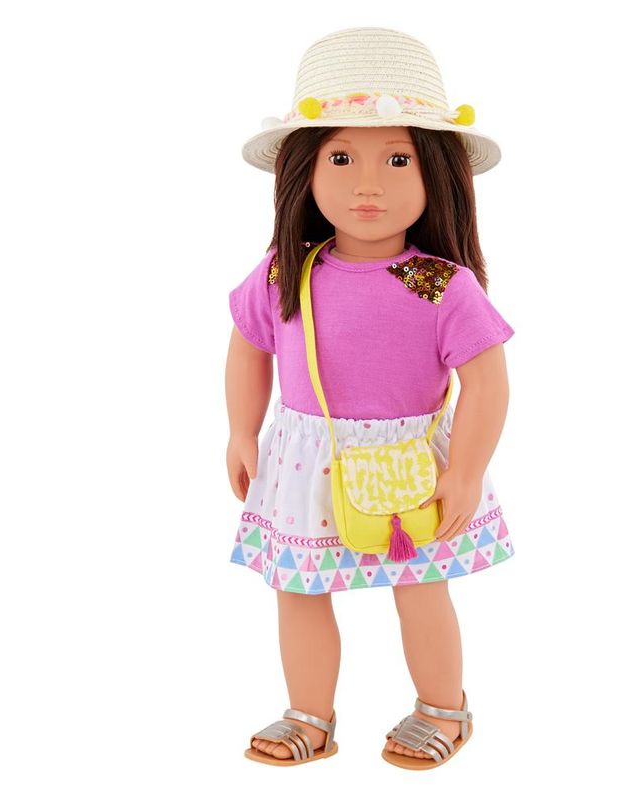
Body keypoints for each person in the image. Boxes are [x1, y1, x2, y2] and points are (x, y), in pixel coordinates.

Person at [226, 27, 516, 769]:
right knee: (298, 587)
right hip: (305, 459)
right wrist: (240, 432)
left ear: (437, 173)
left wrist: (465, 470)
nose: (368, 185)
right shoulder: (288, 272)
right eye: (340, 158)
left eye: (397, 159)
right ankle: (309, 713)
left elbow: (486, 379)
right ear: (303, 169)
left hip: (407, 465)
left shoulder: (434, 283)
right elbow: (250, 345)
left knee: (419, 585)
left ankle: (443, 706)